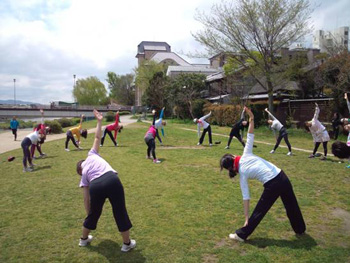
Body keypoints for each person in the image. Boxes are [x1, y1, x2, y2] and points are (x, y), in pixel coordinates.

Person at [220, 106, 306, 242]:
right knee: (291, 205)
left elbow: (246, 197)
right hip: (282, 175)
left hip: (273, 183)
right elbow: (250, 135)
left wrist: (247, 217)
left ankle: (242, 235)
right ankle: (300, 229)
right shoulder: (245, 154)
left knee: (260, 210)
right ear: (233, 157)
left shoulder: (242, 172)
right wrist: (251, 118)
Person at [76, 109, 136, 251]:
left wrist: (89, 214)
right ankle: (126, 244)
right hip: (111, 179)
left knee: (94, 214)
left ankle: (83, 240)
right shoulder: (91, 154)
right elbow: (97, 138)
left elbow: (86, 198)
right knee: (119, 211)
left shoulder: (84, 174)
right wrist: (99, 121)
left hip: (96, 186)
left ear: (80, 170)